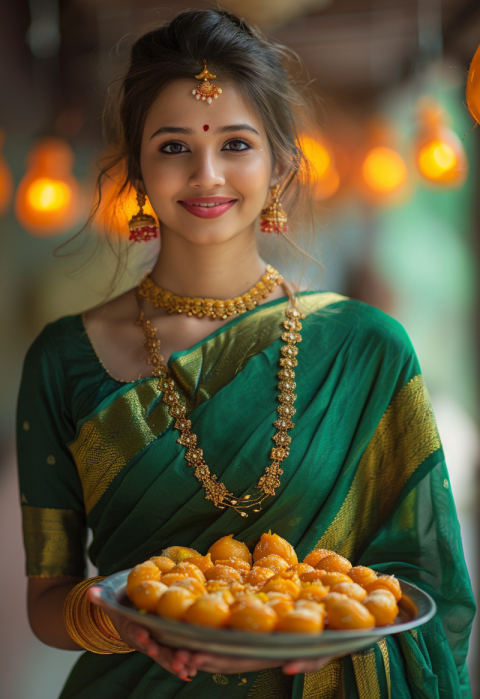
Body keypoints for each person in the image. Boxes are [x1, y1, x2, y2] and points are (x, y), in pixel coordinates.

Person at [17, 8, 475, 699]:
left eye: (236, 144)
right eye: (173, 147)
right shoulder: (65, 358)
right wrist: (129, 624)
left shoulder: (366, 349)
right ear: (135, 168)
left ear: (281, 165)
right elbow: (48, 599)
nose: (206, 174)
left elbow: (421, 583)